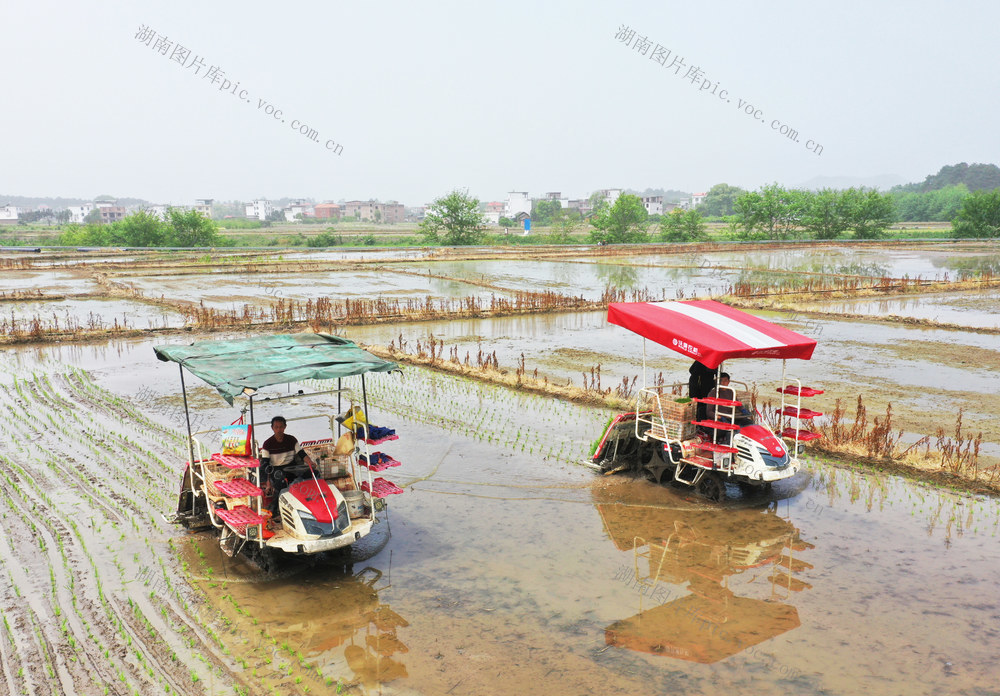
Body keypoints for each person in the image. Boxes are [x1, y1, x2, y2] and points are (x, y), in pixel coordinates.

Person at [260, 416, 316, 518]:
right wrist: (268, 482)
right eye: (276, 427)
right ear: (272, 428)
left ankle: (312, 503)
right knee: (280, 481)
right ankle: (275, 507)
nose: (279, 430)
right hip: (275, 469)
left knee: (312, 473)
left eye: (281, 427)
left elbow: (301, 454)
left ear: (285, 427)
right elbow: (266, 464)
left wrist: (310, 463)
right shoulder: (267, 444)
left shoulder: (291, 439)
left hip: (291, 467)